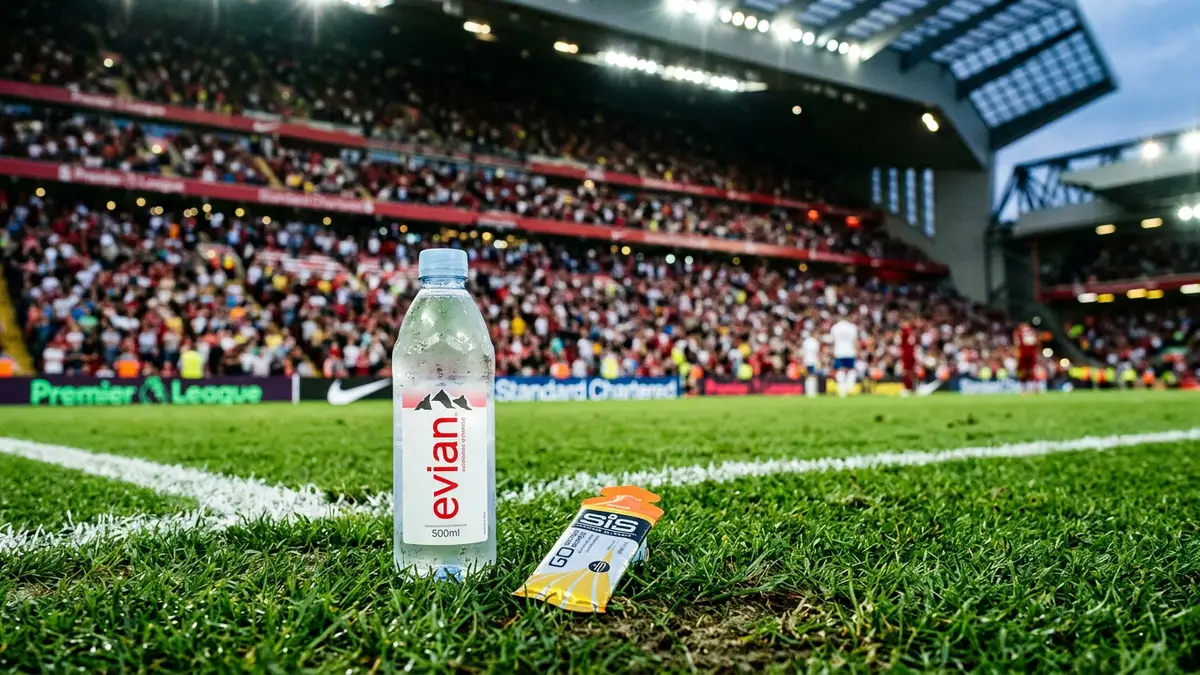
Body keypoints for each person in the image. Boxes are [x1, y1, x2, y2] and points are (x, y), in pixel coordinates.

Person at [829, 314, 859, 398]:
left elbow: (832, 341)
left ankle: (842, 389)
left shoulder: (835, 327)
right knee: (851, 370)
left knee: (840, 370)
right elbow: (855, 340)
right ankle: (850, 387)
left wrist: (832, 351)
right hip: (850, 351)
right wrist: (857, 351)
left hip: (839, 352)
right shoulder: (852, 327)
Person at [1014, 322, 1041, 393]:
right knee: (1032, 371)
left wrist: (1017, 354)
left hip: (1024, 354)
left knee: (1024, 371)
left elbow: (1017, 344)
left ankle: (1024, 389)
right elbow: (1037, 342)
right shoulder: (1032, 331)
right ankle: (1036, 387)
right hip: (1031, 354)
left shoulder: (1018, 332)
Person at [801, 331, 821, 398]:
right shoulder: (815, 342)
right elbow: (817, 353)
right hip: (813, 361)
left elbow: (803, 352)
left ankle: (808, 392)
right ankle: (812, 392)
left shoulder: (806, 341)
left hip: (806, 361)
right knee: (812, 376)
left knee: (808, 376)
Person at [899, 322, 917, 395]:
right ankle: (912, 388)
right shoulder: (912, 333)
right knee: (910, 372)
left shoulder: (906, 332)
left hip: (907, 355)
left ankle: (907, 388)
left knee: (906, 372)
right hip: (911, 355)